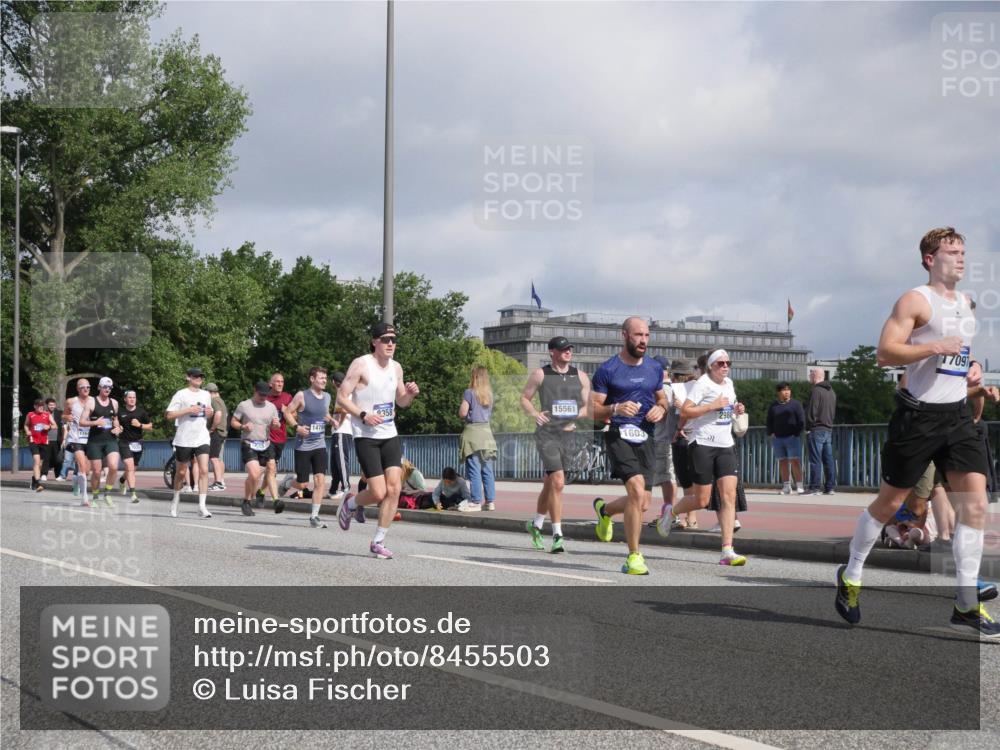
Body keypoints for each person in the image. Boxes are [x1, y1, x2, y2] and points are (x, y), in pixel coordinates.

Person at [834, 227, 998, 636]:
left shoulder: (964, 303)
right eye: (951, 252)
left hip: (958, 418)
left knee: (975, 506)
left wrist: (971, 367)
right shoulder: (914, 300)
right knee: (890, 505)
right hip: (918, 419)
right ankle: (851, 575)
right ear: (929, 259)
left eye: (963, 252)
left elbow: (957, 355)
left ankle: (965, 603)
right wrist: (933, 347)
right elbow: (885, 353)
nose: (960, 259)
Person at [336, 323, 420, 559]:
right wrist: (363, 414)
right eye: (385, 339)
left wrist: (410, 395)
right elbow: (342, 397)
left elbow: (401, 402)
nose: (390, 343)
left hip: (389, 434)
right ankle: (351, 504)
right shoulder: (361, 364)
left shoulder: (397, 367)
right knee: (378, 492)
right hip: (366, 436)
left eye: (393, 339)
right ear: (374, 342)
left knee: (394, 489)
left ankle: (378, 541)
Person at [590, 317, 667, 575]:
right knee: (635, 490)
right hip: (617, 433)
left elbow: (662, 398)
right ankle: (634, 556)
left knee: (643, 502)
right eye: (638, 335)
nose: (643, 340)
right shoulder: (608, 370)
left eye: (646, 335)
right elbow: (592, 409)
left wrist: (661, 408)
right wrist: (615, 407)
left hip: (646, 435)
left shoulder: (655, 368)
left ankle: (605, 511)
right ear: (624, 335)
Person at [659, 349, 749, 566]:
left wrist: (735, 409)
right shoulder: (702, 384)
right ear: (710, 366)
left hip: (725, 444)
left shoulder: (729, 384)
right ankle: (671, 513)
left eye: (728, 363)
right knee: (702, 500)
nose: (725, 366)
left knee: (728, 497)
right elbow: (687, 412)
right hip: (702, 444)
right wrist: (712, 406)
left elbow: (725, 411)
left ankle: (727, 550)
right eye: (720, 363)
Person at [520, 336, 591, 553]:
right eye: (562, 349)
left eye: (569, 349)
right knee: (558, 482)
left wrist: (574, 414)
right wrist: (535, 413)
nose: (567, 352)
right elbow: (524, 398)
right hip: (547, 434)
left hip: (569, 434)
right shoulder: (541, 374)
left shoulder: (581, 376)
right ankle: (558, 535)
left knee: (550, 484)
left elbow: (587, 407)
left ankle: (536, 524)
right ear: (552, 352)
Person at [286, 366, 334, 527]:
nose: (324, 381)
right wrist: (296, 427)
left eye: (325, 378)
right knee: (302, 484)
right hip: (303, 445)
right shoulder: (302, 395)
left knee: (320, 480)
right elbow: (287, 412)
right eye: (321, 378)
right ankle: (287, 483)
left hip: (319, 443)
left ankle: (314, 516)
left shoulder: (327, 396)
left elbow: (324, 413)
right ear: (312, 379)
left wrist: (331, 420)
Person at [165, 367, 214, 519]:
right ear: (188, 377)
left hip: (202, 437)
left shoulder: (206, 394)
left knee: (204, 470)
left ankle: (202, 506)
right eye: (195, 376)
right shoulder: (181, 394)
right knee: (180, 472)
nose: (199, 378)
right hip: (184, 438)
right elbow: (169, 415)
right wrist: (188, 410)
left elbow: (209, 411)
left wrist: (209, 413)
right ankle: (175, 500)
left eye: (201, 376)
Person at [232, 381, 283, 517]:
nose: (263, 397)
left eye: (265, 395)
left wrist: (276, 425)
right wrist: (243, 426)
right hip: (249, 443)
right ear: (254, 390)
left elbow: (275, 426)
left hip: (266, 444)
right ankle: (247, 501)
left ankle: (276, 501)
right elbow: (233, 422)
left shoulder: (271, 407)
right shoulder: (244, 405)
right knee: (254, 475)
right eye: (261, 394)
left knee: (271, 469)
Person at [459, 365, 497, 511]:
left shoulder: (469, 393)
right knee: (487, 469)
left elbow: (463, 413)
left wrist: (466, 413)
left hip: (473, 433)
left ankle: (475, 501)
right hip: (487, 433)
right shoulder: (490, 395)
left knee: (474, 468)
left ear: (474, 377)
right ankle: (490, 501)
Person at [80, 376, 121, 507]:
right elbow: (81, 421)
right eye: (105, 387)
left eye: (110, 387)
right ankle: (95, 496)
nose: (107, 389)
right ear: (99, 387)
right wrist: (95, 422)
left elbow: (116, 420)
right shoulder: (91, 402)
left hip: (110, 440)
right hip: (95, 441)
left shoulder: (114, 403)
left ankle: (107, 494)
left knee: (114, 466)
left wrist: (118, 427)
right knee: (97, 471)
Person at [767, 382, 806, 495]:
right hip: (778, 439)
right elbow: (769, 420)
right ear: (778, 392)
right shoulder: (773, 405)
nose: (787, 392)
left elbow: (801, 420)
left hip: (792, 438)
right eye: (784, 390)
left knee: (795, 461)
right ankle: (786, 487)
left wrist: (796, 433)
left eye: (788, 390)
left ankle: (799, 486)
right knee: (782, 462)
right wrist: (771, 433)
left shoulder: (796, 404)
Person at [806, 368, 837, 495]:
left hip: (816, 428)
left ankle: (814, 487)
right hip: (828, 428)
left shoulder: (816, 391)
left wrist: (808, 427)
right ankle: (830, 487)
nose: (809, 376)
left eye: (811, 374)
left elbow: (812, 411)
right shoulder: (832, 392)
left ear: (815, 376)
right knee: (828, 459)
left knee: (815, 459)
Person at [263, 372, 293, 502]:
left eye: (282, 382)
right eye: (277, 381)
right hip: (267, 438)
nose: (280, 384)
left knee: (271, 469)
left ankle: (260, 491)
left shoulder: (287, 397)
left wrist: (287, 411)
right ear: (271, 383)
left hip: (281, 438)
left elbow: (295, 416)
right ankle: (276, 500)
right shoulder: (265, 398)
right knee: (271, 468)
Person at [117, 390, 152, 503]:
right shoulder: (120, 412)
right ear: (125, 399)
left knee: (132, 469)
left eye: (134, 397)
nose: (132, 399)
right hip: (124, 442)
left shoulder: (141, 412)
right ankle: (133, 494)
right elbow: (116, 424)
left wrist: (140, 425)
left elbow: (150, 426)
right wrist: (117, 429)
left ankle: (122, 480)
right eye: (130, 397)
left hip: (138, 443)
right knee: (129, 466)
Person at [63, 379, 94, 504]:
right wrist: (67, 417)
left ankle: (76, 480)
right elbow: (63, 415)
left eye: (88, 386)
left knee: (86, 470)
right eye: (82, 387)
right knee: (81, 466)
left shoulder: (93, 401)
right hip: (76, 438)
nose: (86, 389)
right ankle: (85, 497)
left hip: (90, 438)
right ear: (78, 389)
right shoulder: (71, 401)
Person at [329, 371, 353, 501]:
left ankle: (346, 489)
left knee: (341, 461)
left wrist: (338, 424)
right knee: (335, 461)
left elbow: (343, 411)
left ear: (333, 382)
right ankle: (333, 489)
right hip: (341, 432)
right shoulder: (348, 392)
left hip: (341, 431)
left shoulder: (341, 393)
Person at [24, 399, 56, 492]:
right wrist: (27, 431)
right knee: (37, 461)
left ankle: (34, 479)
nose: (41, 407)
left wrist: (49, 427)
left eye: (42, 406)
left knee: (40, 464)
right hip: (33, 440)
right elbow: (26, 425)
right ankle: (38, 484)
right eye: (39, 406)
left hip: (44, 442)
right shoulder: (30, 415)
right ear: (35, 406)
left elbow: (55, 425)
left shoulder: (47, 415)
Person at [205, 382, 228, 492]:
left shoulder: (214, 401)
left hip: (216, 432)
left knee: (213, 458)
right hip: (222, 431)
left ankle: (218, 482)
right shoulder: (222, 401)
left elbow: (218, 414)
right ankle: (221, 480)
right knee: (218, 458)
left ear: (209, 392)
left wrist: (212, 428)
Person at [41, 398, 62, 482]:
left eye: (53, 405)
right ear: (47, 405)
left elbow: (63, 425)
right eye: (50, 405)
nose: (52, 406)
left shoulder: (59, 413)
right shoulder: (43, 414)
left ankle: (58, 475)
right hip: (46, 439)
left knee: (57, 458)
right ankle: (44, 474)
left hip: (57, 440)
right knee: (46, 458)